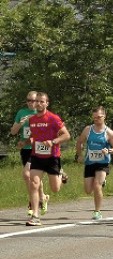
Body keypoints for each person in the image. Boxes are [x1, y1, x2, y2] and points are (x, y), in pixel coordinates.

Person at [21, 92, 71, 226]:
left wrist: (53, 141)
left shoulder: (53, 118)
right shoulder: (32, 120)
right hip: (37, 156)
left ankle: (61, 173)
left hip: (52, 157)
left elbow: (66, 135)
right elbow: (34, 135)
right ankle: (35, 216)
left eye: (42, 101)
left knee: (55, 188)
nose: (38, 103)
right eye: (37, 101)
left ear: (47, 103)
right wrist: (25, 142)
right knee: (34, 183)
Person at [75, 106, 113, 220]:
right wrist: (80, 154)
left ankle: (97, 211)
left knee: (97, 186)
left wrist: (109, 150)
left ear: (104, 116)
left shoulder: (109, 132)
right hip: (90, 163)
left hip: (103, 163)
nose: (96, 119)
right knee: (88, 190)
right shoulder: (87, 130)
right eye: (94, 117)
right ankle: (101, 182)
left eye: (99, 117)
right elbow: (79, 142)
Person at [10, 91, 49, 216]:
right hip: (26, 149)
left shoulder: (41, 113)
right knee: (33, 176)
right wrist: (20, 123)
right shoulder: (22, 113)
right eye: (28, 100)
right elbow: (13, 132)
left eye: (33, 101)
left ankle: (33, 202)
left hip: (38, 148)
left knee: (27, 174)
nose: (31, 103)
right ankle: (42, 197)